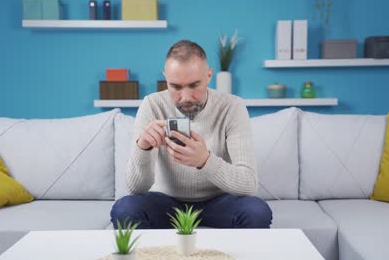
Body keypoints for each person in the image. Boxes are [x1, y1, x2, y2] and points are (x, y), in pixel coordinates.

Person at [110, 39, 272, 229]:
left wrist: (205, 160)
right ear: (166, 79)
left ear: (209, 75)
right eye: (176, 87)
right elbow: (136, 189)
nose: (185, 98)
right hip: (166, 203)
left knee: (257, 211)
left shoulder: (232, 107)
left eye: (194, 85)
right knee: (125, 209)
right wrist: (142, 147)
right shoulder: (152, 105)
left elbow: (248, 184)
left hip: (218, 202)